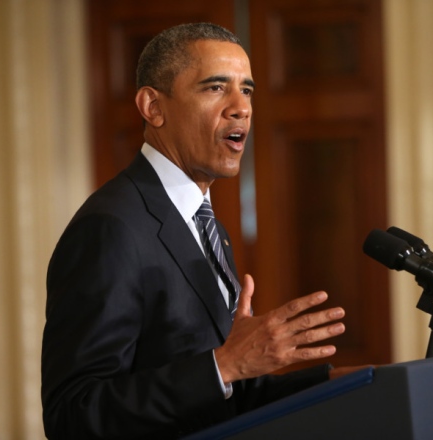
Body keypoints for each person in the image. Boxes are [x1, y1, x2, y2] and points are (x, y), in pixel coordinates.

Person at [41, 22, 362, 440]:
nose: (241, 107)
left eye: (246, 90)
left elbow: (220, 395)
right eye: (215, 88)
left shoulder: (206, 224)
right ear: (153, 107)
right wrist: (225, 365)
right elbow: (73, 416)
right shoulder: (111, 228)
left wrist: (346, 384)